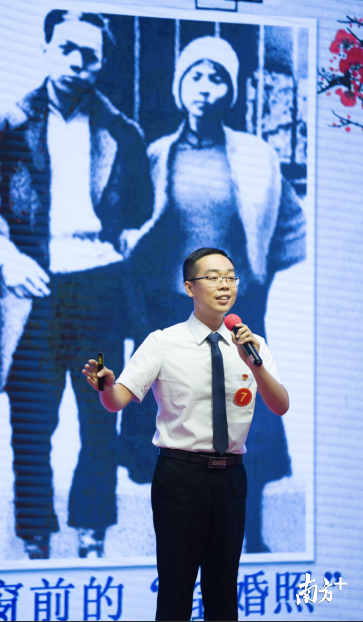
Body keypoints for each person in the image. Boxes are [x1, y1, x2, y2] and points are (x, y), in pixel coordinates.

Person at [0, 9, 153, 559]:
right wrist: (7, 263)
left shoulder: (122, 131)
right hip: (31, 294)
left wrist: (124, 245)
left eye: (89, 54)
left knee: (99, 421)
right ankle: (35, 538)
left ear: (102, 63)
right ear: (46, 50)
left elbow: (142, 212)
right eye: (66, 48)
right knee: (31, 423)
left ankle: (92, 533)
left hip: (99, 293)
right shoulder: (5, 125)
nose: (75, 61)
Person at [121, 35, 306, 552]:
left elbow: (290, 223)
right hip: (170, 308)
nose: (205, 87)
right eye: (195, 75)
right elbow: (133, 225)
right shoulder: (157, 154)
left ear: (232, 90)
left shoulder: (256, 156)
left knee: (245, 416)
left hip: (231, 310)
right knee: (176, 427)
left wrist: (259, 279)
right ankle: (173, 537)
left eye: (218, 77)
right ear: (180, 86)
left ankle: (251, 534)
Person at [83, 247, 289, 621]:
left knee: (223, 592)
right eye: (213, 277)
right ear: (189, 287)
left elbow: (281, 405)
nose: (224, 285)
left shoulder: (251, 344)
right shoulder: (163, 342)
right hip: (180, 476)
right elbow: (117, 401)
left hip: (231, 477)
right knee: (176, 590)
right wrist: (105, 387)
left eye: (230, 277)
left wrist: (255, 365)